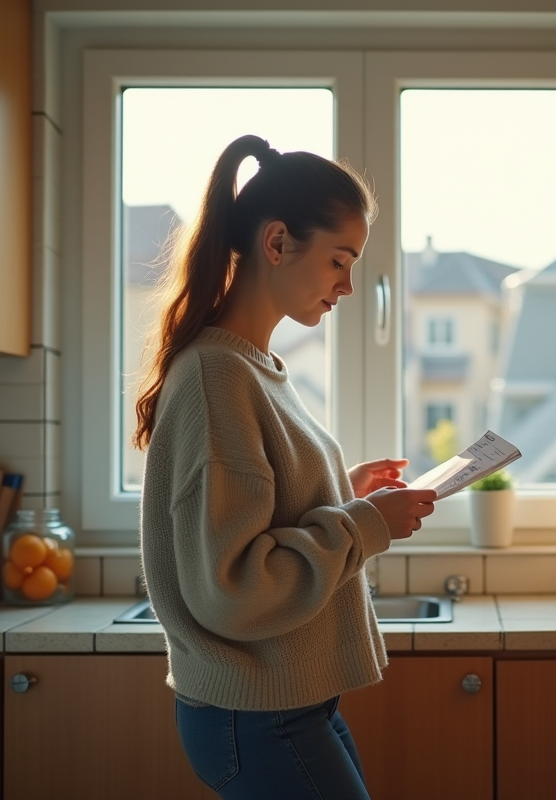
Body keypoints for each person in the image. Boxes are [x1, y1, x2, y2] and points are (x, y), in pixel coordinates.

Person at [133, 134, 437, 800]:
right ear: (277, 244)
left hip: (281, 703)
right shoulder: (219, 375)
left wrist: (340, 491)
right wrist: (360, 524)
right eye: (339, 260)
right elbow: (236, 585)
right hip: (255, 714)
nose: (349, 286)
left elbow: (258, 510)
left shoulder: (253, 369)